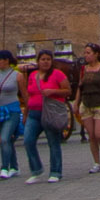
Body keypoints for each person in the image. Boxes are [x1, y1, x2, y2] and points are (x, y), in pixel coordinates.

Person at [23, 48, 71, 181]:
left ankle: (55, 172)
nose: (45, 62)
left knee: (53, 142)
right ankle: (36, 169)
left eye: (48, 59)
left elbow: (67, 91)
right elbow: (29, 94)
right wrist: (26, 113)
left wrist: (52, 91)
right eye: (43, 59)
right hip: (34, 113)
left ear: (52, 61)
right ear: (38, 61)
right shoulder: (33, 75)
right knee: (28, 140)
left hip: (50, 112)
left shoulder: (57, 74)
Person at [0, 50, 26, 176]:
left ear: (7, 60)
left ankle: (4, 167)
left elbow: (25, 95)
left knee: (4, 138)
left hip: (12, 110)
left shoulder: (17, 76)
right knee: (8, 139)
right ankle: (14, 167)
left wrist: (27, 112)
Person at [78, 43, 100, 174]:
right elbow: (79, 87)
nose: (86, 55)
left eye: (88, 53)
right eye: (85, 53)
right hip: (87, 103)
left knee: (99, 134)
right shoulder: (84, 69)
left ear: (96, 54)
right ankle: (96, 162)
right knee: (91, 135)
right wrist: (76, 103)